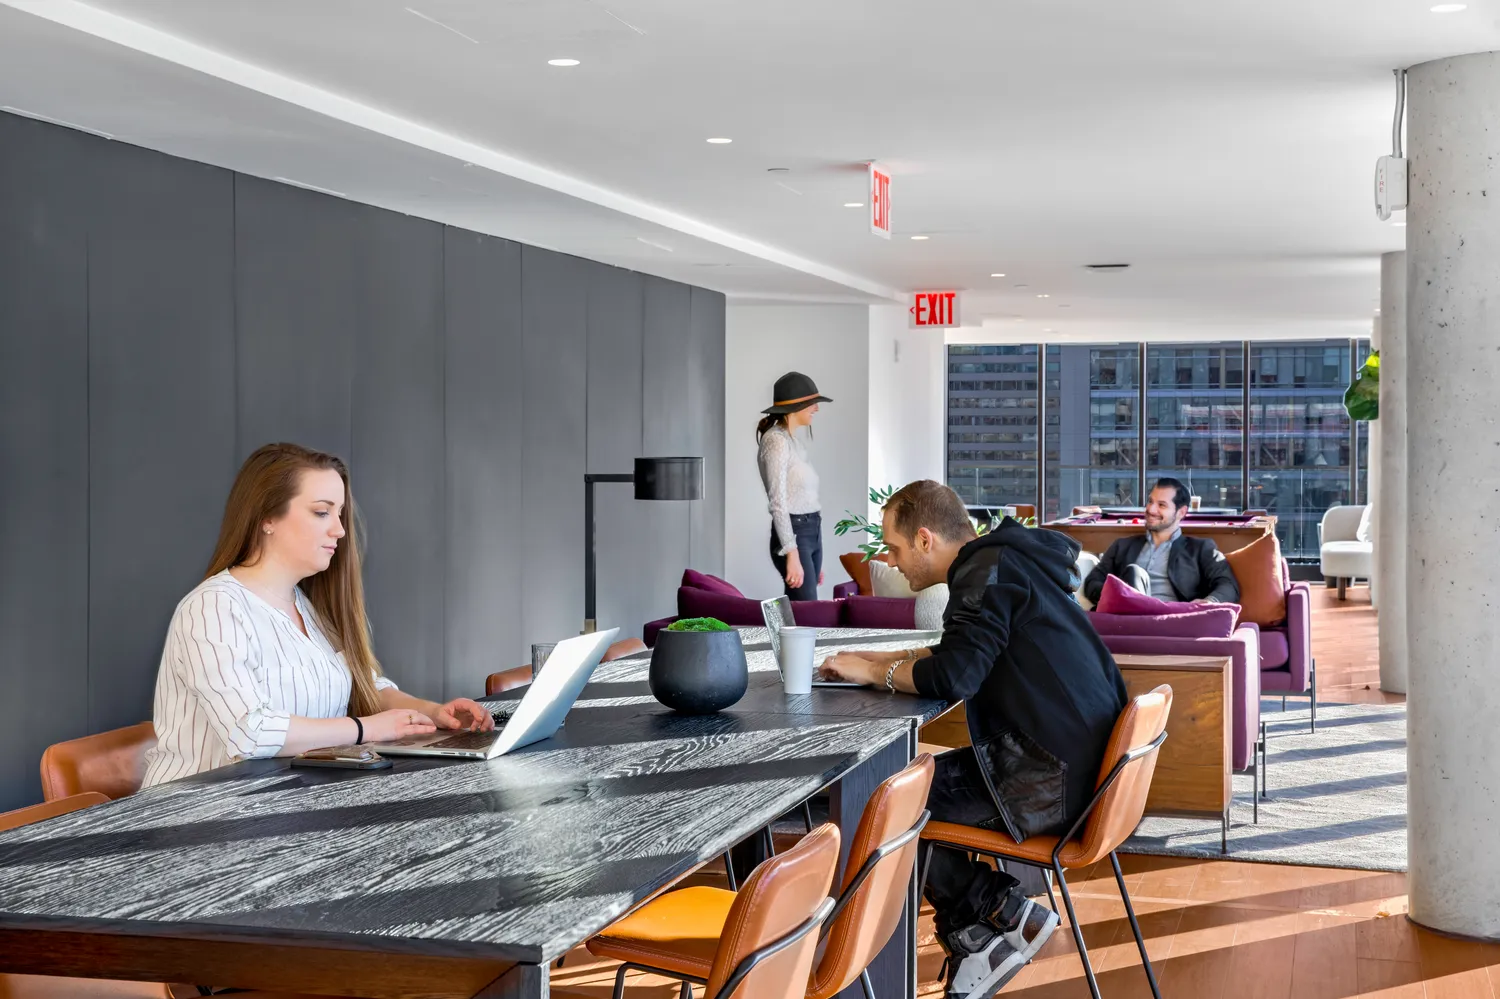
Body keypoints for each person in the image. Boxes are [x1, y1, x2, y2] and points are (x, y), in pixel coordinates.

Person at [820, 480, 1128, 999]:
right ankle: (996, 917)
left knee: (882, 803)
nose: (890, 562)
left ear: (923, 539)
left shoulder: (983, 573)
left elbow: (956, 675)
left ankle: (991, 916)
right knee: (898, 790)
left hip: (1047, 778)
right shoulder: (1005, 562)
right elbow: (959, 652)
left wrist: (878, 676)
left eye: (893, 548)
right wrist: (872, 664)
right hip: (1074, 766)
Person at [141, 443, 494, 788]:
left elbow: (365, 684)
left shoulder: (308, 607)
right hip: (199, 820)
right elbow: (249, 732)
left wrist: (432, 713)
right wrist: (367, 729)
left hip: (285, 803)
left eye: (339, 514)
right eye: (322, 512)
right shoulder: (213, 608)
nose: (339, 530)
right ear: (267, 518)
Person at [1081, 477, 1240, 606]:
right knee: (1134, 573)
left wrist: (1209, 601)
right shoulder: (1122, 546)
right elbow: (1093, 582)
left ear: (1181, 512)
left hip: (1172, 620)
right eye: (1150, 502)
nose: (1151, 510)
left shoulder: (1201, 549)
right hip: (1124, 619)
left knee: (1134, 572)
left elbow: (1228, 585)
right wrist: (1117, 595)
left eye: (1161, 505)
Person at [756, 371, 831, 601]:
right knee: (806, 615)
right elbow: (778, 501)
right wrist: (793, 553)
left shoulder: (793, 441)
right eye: (811, 404)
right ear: (796, 406)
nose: (816, 409)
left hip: (811, 530)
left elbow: (805, 496)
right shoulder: (776, 441)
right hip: (795, 533)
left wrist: (813, 555)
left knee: (806, 612)